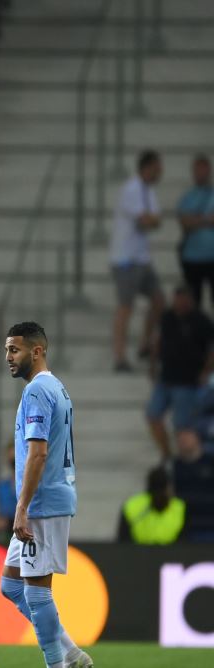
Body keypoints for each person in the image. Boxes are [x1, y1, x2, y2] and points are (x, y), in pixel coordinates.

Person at [1, 321, 94, 668]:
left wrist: (21, 507)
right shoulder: (55, 386)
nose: (8, 357)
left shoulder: (38, 390)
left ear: (37, 351)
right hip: (47, 498)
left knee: (37, 589)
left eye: (15, 350)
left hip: (42, 502)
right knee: (10, 584)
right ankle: (70, 653)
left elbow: (38, 452)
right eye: (7, 350)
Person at [110, 150, 164, 372]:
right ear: (148, 166)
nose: (160, 171)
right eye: (158, 167)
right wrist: (151, 220)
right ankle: (119, 356)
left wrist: (151, 220)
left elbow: (155, 220)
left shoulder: (148, 191)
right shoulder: (132, 189)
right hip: (126, 259)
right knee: (125, 307)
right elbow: (145, 221)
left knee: (159, 300)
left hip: (142, 258)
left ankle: (144, 343)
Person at [148, 285, 214, 460]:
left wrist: (206, 371)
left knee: (182, 425)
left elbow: (211, 349)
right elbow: (158, 340)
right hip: (166, 377)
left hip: (187, 381)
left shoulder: (201, 321)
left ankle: (183, 457)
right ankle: (166, 453)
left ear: (191, 300)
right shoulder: (168, 317)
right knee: (153, 415)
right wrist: (153, 364)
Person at [177, 154, 214, 308]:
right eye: (197, 170)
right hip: (192, 258)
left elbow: (190, 220)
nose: (200, 173)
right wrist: (206, 220)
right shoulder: (187, 197)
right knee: (193, 304)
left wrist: (196, 219)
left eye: (203, 169)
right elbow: (185, 223)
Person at [119, 467, 186, 545]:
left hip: (138, 553)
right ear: (169, 487)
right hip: (171, 554)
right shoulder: (179, 507)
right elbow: (184, 540)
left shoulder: (132, 505)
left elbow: (123, 540)